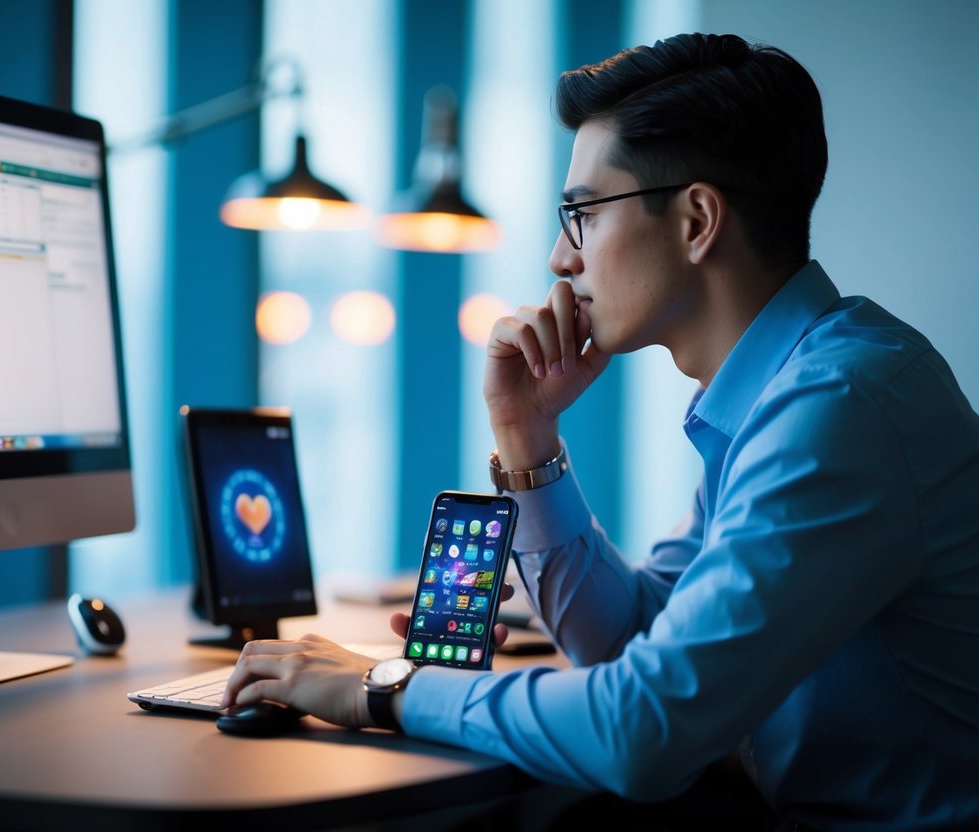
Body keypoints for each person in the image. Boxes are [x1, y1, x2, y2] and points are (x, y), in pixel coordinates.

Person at [220, 32, 979, 830]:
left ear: (695, 221)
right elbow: (629, 643)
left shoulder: (837, 407)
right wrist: (525, 435)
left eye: (580, 215)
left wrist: (381, 688)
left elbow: (642, 730)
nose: (557, 259)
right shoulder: (780, 397)